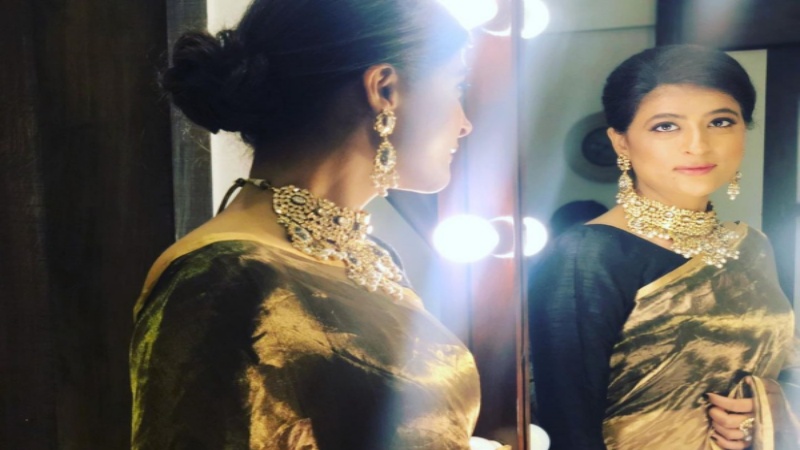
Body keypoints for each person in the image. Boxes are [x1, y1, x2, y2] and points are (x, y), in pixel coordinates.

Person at [128, 1, 485, 448]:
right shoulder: (224, 276)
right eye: (456, 85)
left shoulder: (371, 257)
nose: (465, 123)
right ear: (384, 89)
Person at [529, 45, 799, 450]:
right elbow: (569, 431)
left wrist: (776, 406)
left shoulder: (753, 247)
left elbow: (786, 368)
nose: (698, 145)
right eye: (666, 126)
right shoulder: (585, 257)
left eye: (721, 121)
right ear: (621, 142)